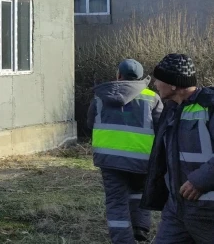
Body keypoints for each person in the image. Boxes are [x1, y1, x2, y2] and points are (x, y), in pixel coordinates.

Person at [87, 59, 164, 243]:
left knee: (116, 202)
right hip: (142, 158)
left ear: (118, 75)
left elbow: (90, 124)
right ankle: (140, 229)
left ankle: (123, 241)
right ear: (140, 77)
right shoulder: (152, 97)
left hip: (109, 160)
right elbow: (161, 127)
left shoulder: (100, 97)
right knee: (139, 193)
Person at [141, 53, 214, 244]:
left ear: (174, 84)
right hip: (176, 210)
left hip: (208, 213)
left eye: (159, 79)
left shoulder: (209, 107)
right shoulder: (171, 110)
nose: (155, 83)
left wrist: (200, 181)